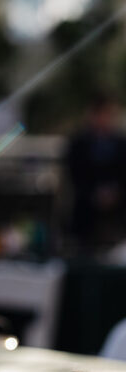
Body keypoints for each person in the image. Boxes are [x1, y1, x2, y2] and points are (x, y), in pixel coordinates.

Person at [64, 92, 126, 255]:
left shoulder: (121, 144)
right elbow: (74, 176)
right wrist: (94, 194)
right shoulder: (78, 143)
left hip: (117, 216)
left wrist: (115, 193)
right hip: (85, 216)